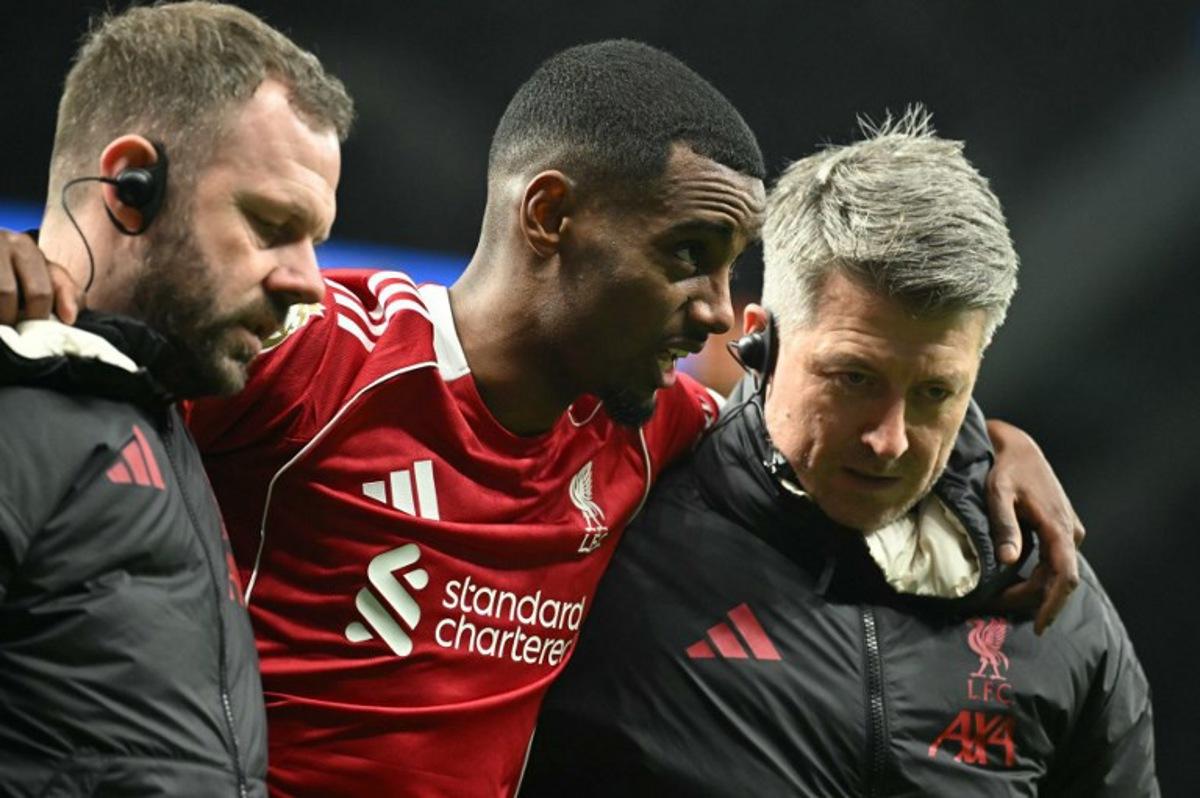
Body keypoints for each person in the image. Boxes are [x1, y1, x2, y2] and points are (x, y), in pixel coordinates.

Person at [4, 39, 1083, 797]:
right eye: (684, 259)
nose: (716, 308)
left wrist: (989, 441)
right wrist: (19, 276)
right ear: (551, 214)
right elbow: (122, 311)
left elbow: (837, 395)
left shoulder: (650, 431)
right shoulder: (317, 353)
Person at [521, 112, 1157, 797]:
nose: (890, 440)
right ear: (760, 342)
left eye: (937, 392)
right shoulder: (613, 537)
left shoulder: (1050, 595)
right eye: (853, 378)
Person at [0, 3, 352, 795]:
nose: (310, 286)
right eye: (271, 224)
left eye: (315, 242)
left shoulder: (160, 409)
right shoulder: (20, 394)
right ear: (132, 188)